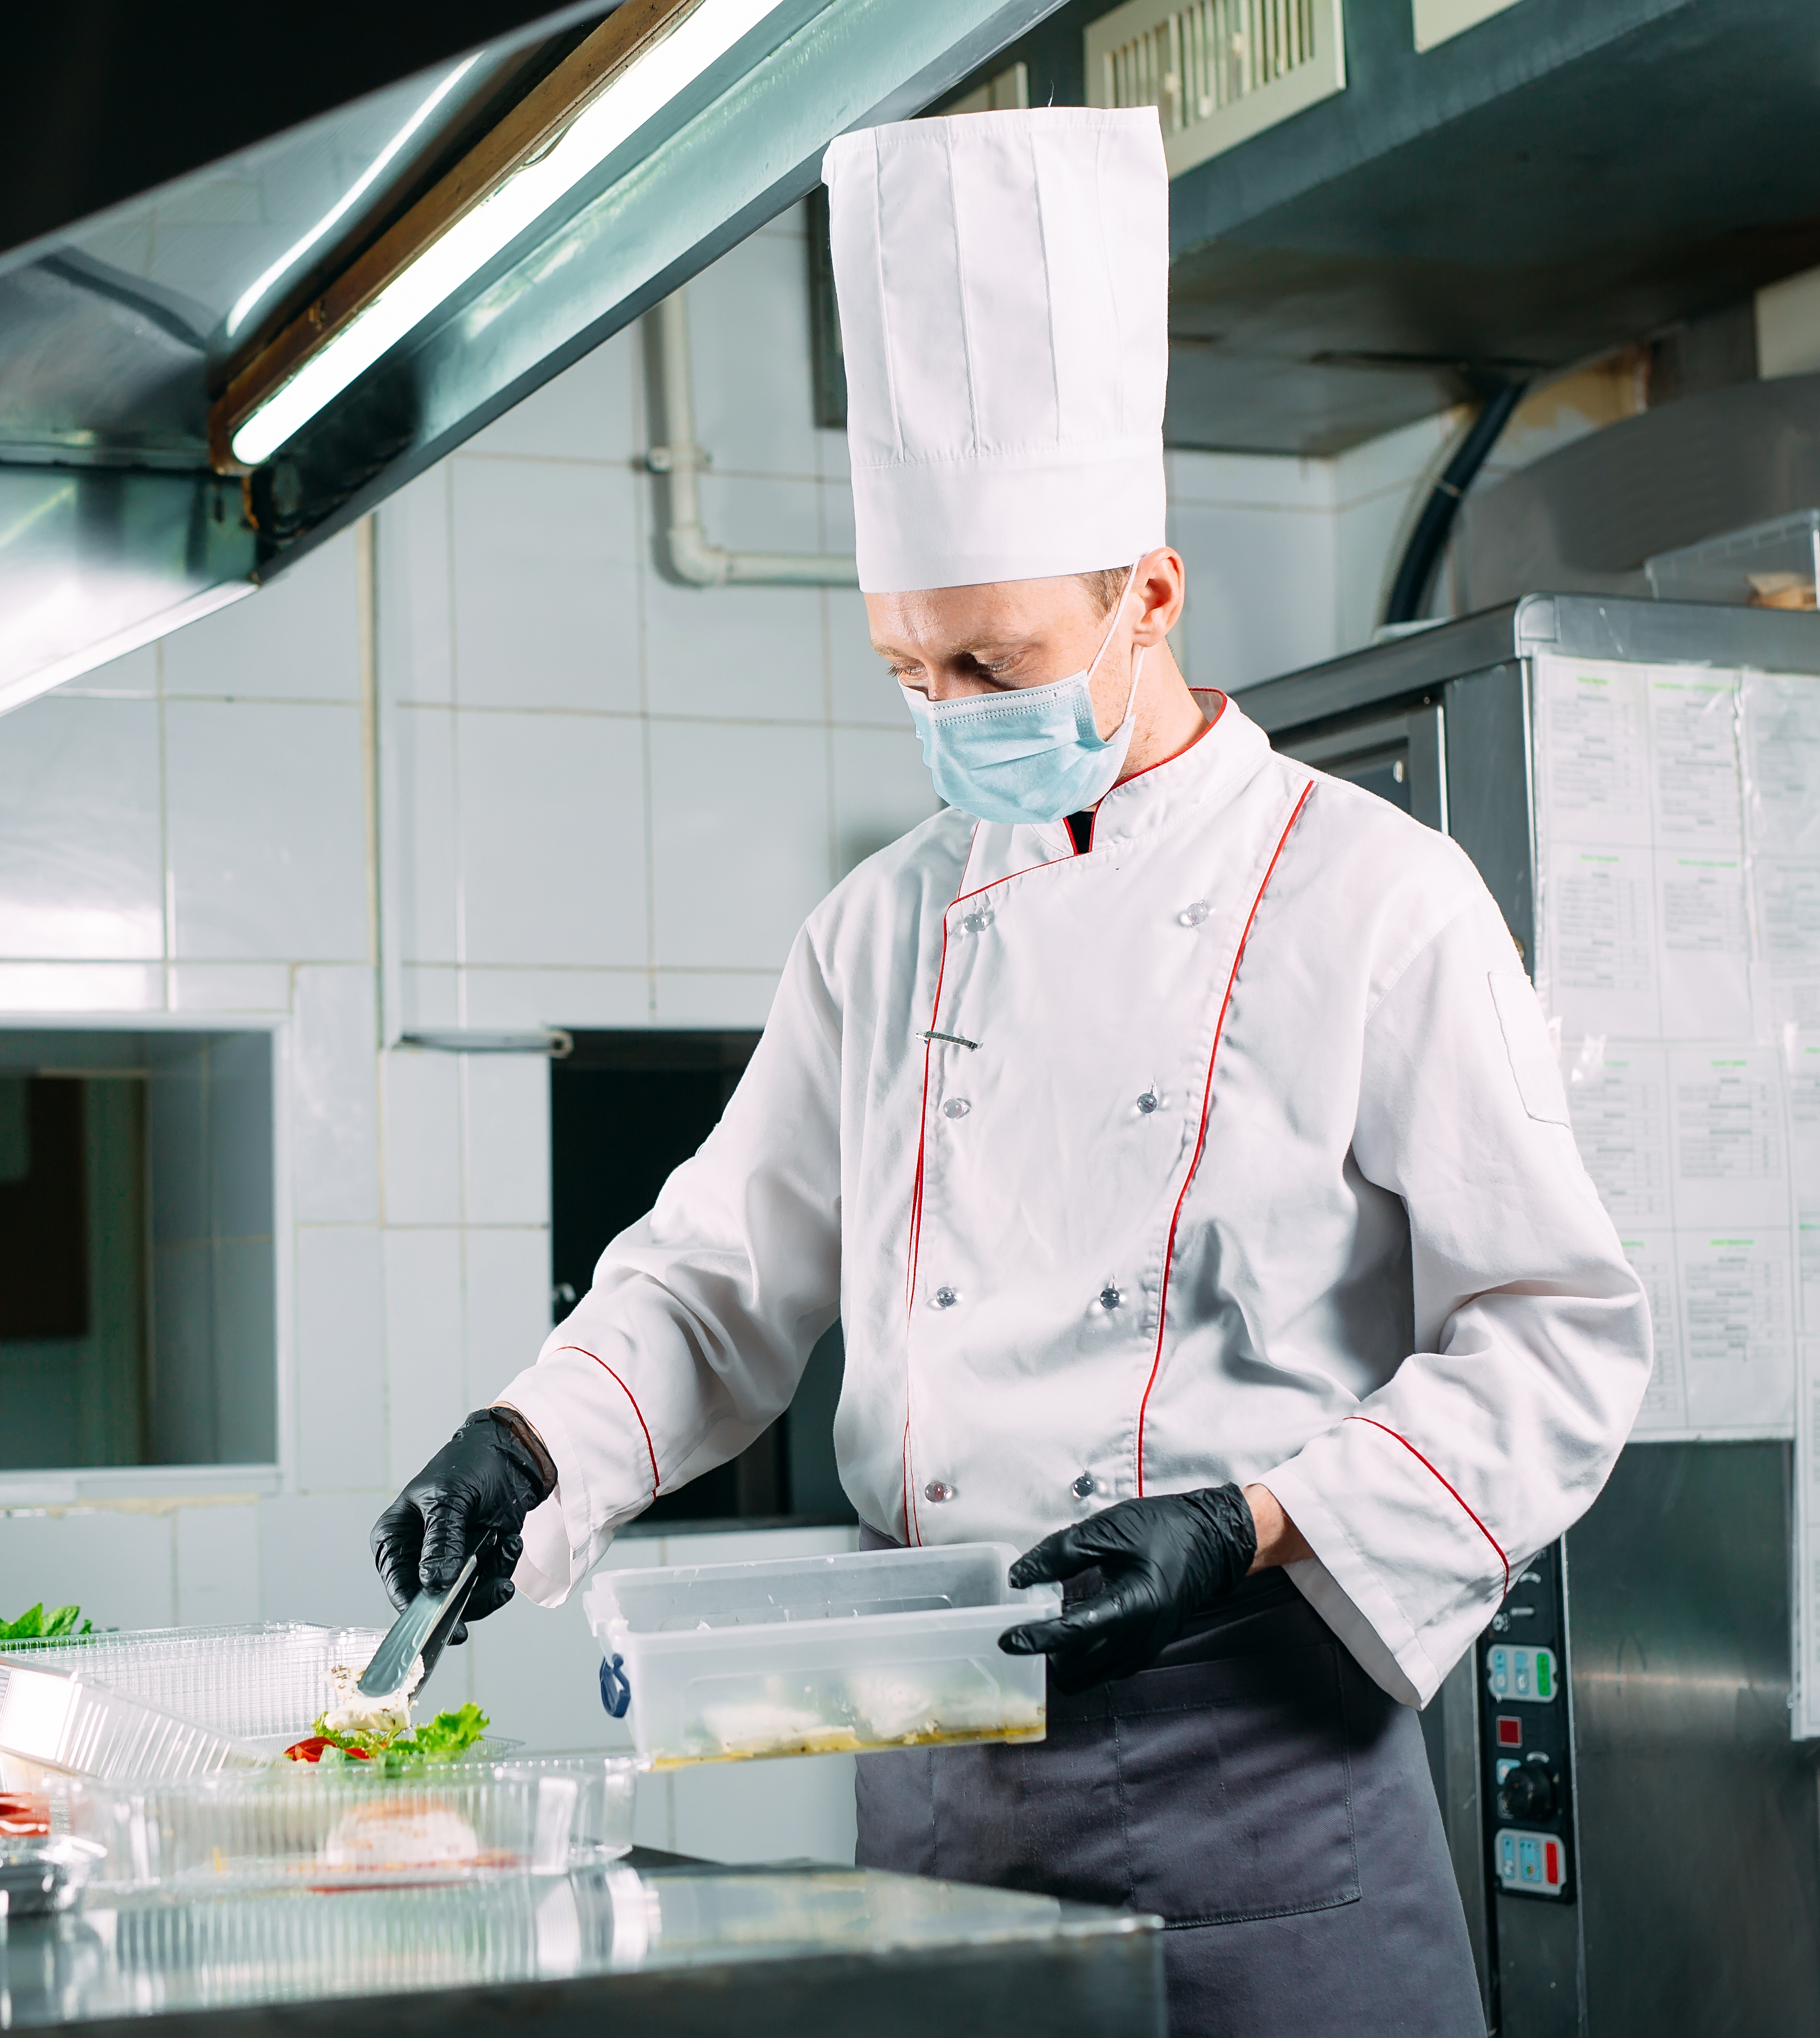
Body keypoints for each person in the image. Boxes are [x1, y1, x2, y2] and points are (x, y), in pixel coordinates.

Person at [370, 104, 1648, 2036]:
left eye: (993, 664)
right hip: (931, 1754)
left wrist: (1256, 1521)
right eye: (908, 670)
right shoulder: (884, 927)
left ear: (1151, 594)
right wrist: (534, 1439)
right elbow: (725, 1274)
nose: (947, 715)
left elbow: (1555, 1343)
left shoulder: (1375, 899)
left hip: (1253, 1758)